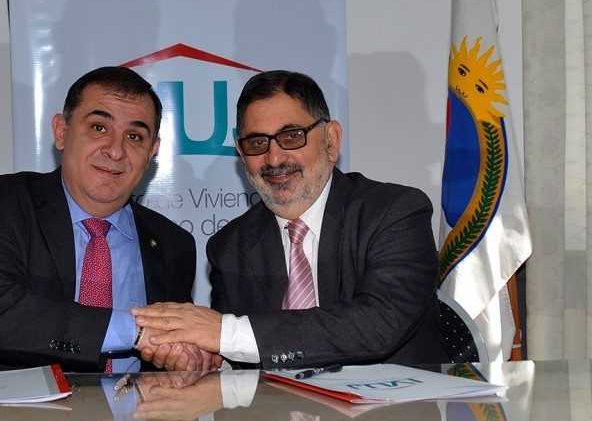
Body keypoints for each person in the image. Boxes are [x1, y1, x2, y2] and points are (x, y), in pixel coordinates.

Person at [133, 70, 447, 368]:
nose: (274, 158)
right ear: (242, 154)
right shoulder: (229, 247)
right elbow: (233, 360)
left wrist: (225, 333)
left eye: (292, 136)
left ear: (331, 140)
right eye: (257, 143)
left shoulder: (394, 212)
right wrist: (202, 359)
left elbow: (379, 323)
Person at [0, 66, 212, 373]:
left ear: (152, 151)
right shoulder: (1, 204)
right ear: (61, 132)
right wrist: (137, 332)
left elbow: (172, 360)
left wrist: (187, 356)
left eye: (134, 136)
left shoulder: (174, 244)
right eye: (99, 127)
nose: (115, 151)